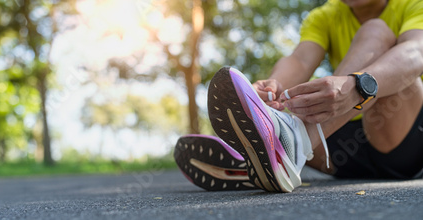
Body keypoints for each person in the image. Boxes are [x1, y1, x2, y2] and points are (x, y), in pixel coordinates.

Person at [174, 0, 423, 192]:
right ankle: (275, 159)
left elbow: (416, 52)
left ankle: (292, 143)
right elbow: (300, 59)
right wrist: (274, 87)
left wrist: (357, 87)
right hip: (337, 153)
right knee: (291, 114)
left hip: (401, 139)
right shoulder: (325, 15)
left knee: (377, 31)